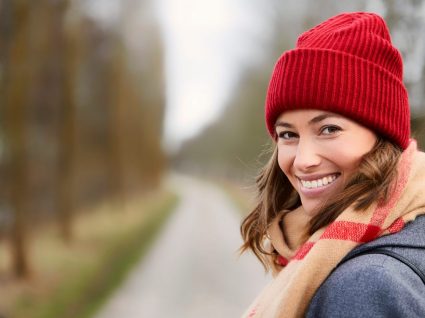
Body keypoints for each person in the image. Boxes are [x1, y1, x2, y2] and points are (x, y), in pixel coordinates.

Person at [240, 12, 425, 318]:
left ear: (382, 136)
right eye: (288, 134)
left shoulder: (365, 289)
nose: (303, 160)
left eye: (329, 129)